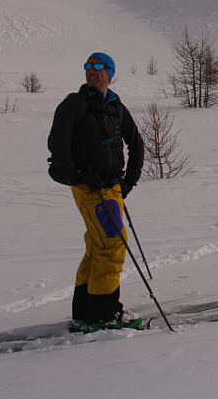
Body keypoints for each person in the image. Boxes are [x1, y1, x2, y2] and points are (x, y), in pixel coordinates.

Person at [47, 52, 145, 328]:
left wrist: (128, 182)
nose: (92, 71)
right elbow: (58, 145)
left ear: (110, 73)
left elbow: (136, 143)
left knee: (97, 246)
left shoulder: (115, 106)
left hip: (112, 188)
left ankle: (85, 311)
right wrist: (77, 176)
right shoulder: (73, 104)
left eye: (98, 66)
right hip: (90, 190)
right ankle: (104, 313)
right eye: (88, 66)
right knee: (112, 246)